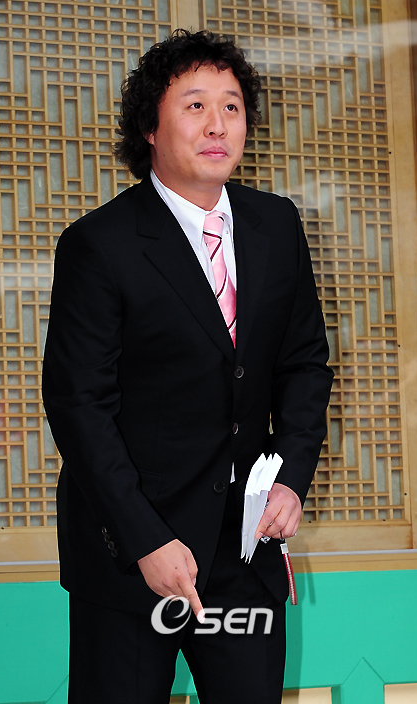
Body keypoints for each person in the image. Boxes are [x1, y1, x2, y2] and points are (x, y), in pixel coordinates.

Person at [42, 29, 333, 704]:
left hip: (244, 549)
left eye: (232, 106)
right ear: (150, 126)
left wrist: (290, 479)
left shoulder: (276, 224)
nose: (217, 125)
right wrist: (146, 541)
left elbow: (304, 364)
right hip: (130, 552)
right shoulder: (99, 244)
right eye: (195, 105)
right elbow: (79, 405)